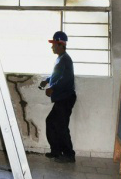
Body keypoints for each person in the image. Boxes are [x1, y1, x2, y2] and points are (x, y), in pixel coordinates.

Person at [40, 31, 76, 163]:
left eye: (54, 44)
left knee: (61, 126)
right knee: (51, 122)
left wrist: (52, 88)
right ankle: (56, 151)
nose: (52, 47)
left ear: (61, 44)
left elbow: (65, 79)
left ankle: (69, 155)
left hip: (66, 98)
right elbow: (57, 75)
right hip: (62, 98)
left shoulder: (65, 59)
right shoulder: (60, 58)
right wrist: (47, 80)